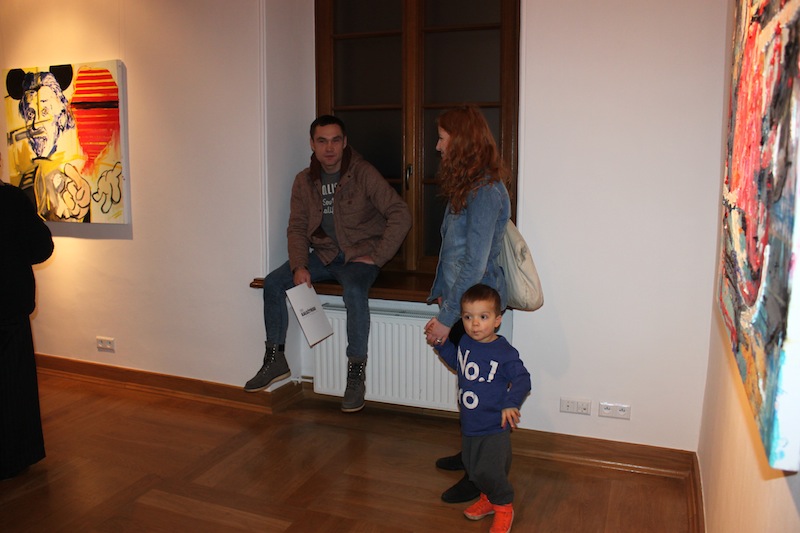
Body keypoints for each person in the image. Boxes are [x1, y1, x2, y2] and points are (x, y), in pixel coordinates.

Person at [245, 115, 411, 413]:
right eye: (322, 141)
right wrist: (299, 265)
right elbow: (297, 227)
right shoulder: (304, 180)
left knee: (355, 293)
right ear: (312, 144)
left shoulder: (362, 173)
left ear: (345, 142)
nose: (329, 148)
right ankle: (275, 358)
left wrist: (378, 256)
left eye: (335, 140)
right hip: (323, 255)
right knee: (273, 283)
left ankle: (355, 374)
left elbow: (400, 213)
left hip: (358, 256)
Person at [424, 105, 511, 503]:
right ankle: (470, 456)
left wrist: (446, 319)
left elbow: (475, 265)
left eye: (442, 137)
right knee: (470, 388)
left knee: (482, 393)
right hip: (462, 301)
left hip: (476, 306)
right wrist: (444, 293)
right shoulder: (469, 186)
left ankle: (480, 477)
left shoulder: (486, 191)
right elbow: (454, 254)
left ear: (460, 141)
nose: (438, 146)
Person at [434, 284, 530, 533]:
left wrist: (511, 403)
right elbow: (458, 364)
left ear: (497, 320)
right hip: (470, 423)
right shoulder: (467, 342)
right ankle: (488, 500)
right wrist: (441, 344)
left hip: (493, 426)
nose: (474, 324)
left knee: (491, 470)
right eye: (468, 317)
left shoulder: (504, 352)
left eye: (483, 317)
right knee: (473, 467)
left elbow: (523, 379)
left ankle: (504, 507)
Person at [0, 180, 54, 480]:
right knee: (12, 384)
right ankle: (12, 457)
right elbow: (40, 248)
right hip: (6, 308)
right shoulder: (9, 198)